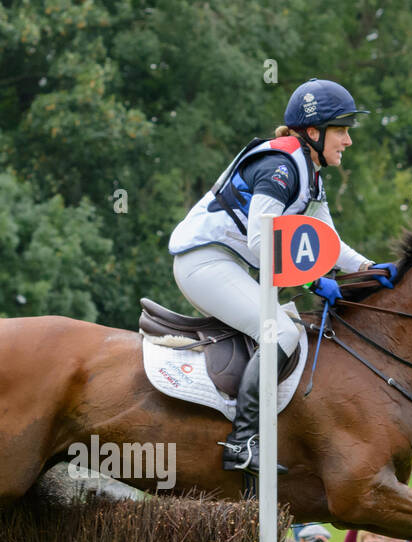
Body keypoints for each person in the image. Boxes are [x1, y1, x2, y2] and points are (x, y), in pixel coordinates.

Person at [169, 79, 396, 474]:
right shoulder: (280, 167)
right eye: (341, 130)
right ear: (314, 131)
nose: (348, 141)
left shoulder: (310, 173)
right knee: (283, 333)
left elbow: (329, 244)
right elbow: (262, 242)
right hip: (204, 262)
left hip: (228, 263)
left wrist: (369, 269)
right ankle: (242, 442)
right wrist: (310, 282)